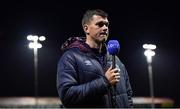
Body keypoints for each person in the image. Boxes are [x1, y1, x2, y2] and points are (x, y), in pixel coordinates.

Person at [56, 9, 133, 108]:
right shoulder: (70, 57)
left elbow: (128, 95)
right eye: (100, 24)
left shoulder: (115, 59)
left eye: (107, 24)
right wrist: (105, 82)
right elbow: (67, 96)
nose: (105, 28)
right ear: (86, 28)